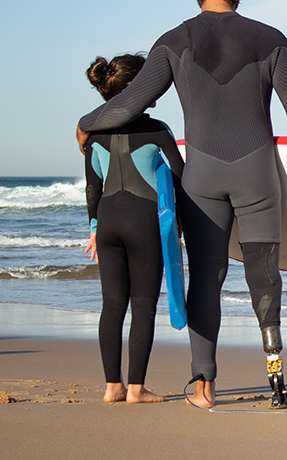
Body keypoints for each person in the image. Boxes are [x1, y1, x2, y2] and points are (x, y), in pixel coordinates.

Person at [76, 0, 287, 409]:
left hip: (202, 182)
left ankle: (203, 385)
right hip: (258, 178)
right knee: (264, 278)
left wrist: (87, 121)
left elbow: (129, 105)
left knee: (206, 278)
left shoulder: (174, 40)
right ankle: (278, 384)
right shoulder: (271, 39)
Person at [83, 53, 185, 403]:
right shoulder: (157, 130)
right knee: (142, 305)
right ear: (133, 88)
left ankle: (112, 387)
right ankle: (136, 389)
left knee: (112, 305)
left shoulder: (94, 133)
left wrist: (95, 227)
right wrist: (180, 225)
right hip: (143, 222)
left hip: (108, 222)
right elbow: (180, 178)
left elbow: (93, 187)